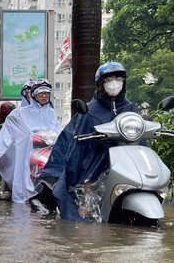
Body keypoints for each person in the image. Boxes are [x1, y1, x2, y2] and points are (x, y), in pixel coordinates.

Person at [36, 62, 139, 221]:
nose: (114, 83)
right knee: (85, 188)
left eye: (118, 78)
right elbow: (78, 149)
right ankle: (84, 205)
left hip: (124, 159)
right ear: (100, 84)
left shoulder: (130, 108)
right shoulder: (90, 110)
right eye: (109, 79)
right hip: (93, 160)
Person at [0, 79, 62, 203]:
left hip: (47, 152)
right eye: (41, 94)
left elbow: (58, 130)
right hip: (27, 153)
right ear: (34, 95)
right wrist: (26, 139)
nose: (44, 96)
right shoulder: (19, 113)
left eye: (47, 93)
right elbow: (12, 133)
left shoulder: (52, 113)